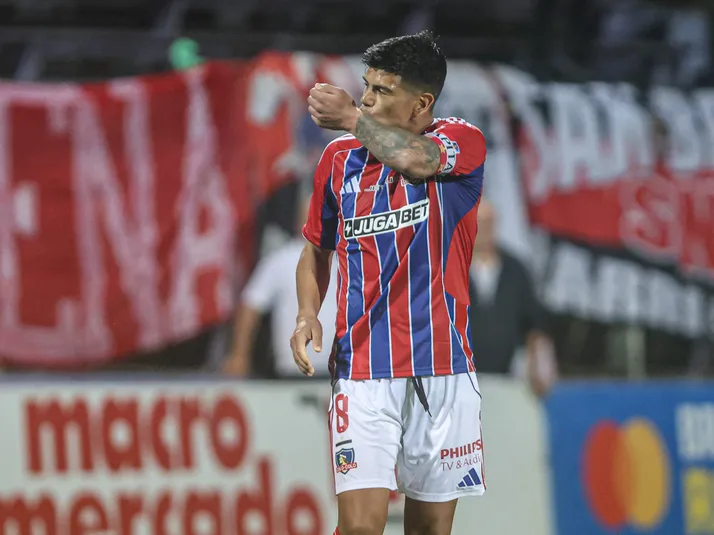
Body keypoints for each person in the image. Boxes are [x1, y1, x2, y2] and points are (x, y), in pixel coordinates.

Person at [290, 31, 487, 535]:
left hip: (443, 367)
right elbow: (316, 248)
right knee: (360, 528)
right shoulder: (338, 159)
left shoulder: (461, 142)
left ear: (422, 103)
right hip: (362, 370)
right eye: (367, 86)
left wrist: (351, 118)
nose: (367, 99)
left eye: (382, 90)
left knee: (429, 530)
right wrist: (307, 313)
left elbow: (418, 160)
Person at [224, 194, 338, 378]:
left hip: (342, 374)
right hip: (291, 374)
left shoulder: (349, 259)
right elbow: (250, 306)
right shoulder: (280, 260)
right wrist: (239, 355)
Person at [469, 199, 557, 396]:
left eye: (488, 222)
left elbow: (534, 324)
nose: (483, 229)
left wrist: (540, 364)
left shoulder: (515, 269)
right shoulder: (447, 269)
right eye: (478, 222)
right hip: (459, 381)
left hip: (508, 382)